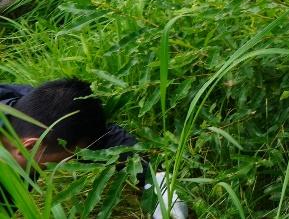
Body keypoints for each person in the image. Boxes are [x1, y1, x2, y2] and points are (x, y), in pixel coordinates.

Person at [1, 79, 186, 218]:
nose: (73, 163)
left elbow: (104, 139)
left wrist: (156, 182)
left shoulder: (28, 106)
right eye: (66, 160)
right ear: (31, 146)